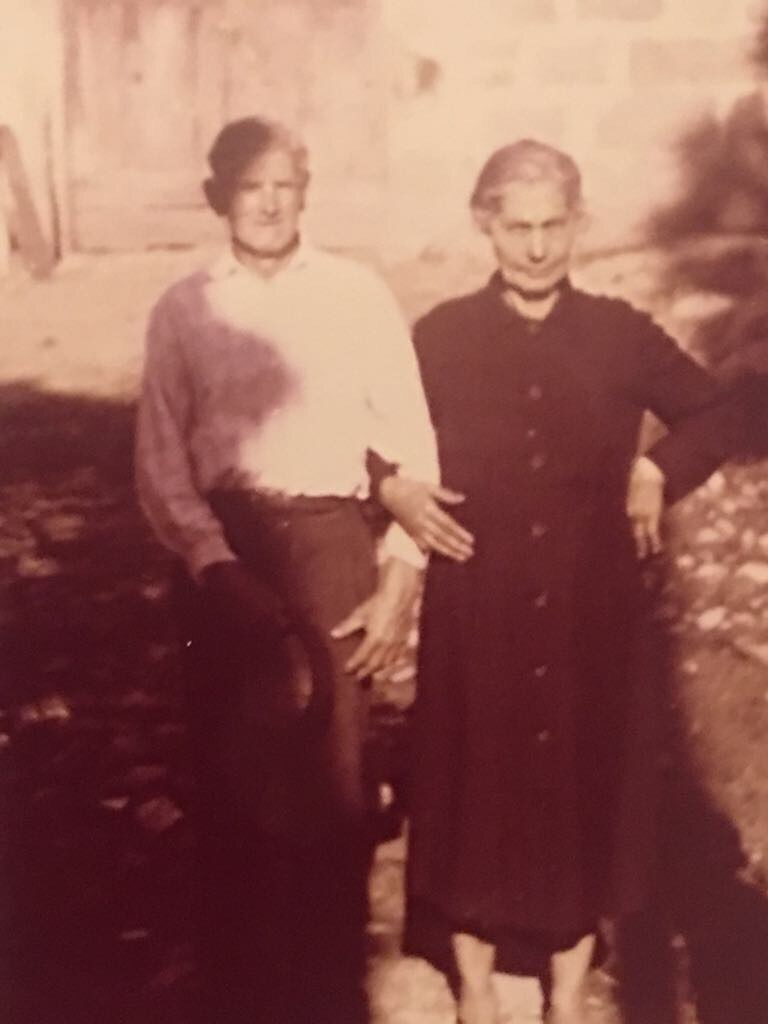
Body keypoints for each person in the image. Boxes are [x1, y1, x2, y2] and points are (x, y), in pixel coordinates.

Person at [378, 140, 742, 1024]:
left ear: (580, 224)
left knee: (584, 787)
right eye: (517, 228)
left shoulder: (619, 334)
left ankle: (568, 991)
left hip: (590, 608)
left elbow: (723, 408)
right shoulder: (440, 337)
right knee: (473, 784)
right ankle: (474, 988)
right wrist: (395, 489)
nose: (537, 249)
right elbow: (374, 434)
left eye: (553, 227)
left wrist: (657, 470)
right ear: (485, 224)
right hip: (479, 603)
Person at [134, 115, 456, 1024]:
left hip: (327, 544)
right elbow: (160, 462)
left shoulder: (356, 295)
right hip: (224, 556)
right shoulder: (185, 308)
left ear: (306, 193)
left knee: (334, 786)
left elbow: (411, 442)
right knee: (231, 784)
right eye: (251, 187)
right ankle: (239, 993)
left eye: (285, 185)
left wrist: (398, 576)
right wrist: (214, 564)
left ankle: (327, 992)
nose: (270, 204)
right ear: (217, 198)